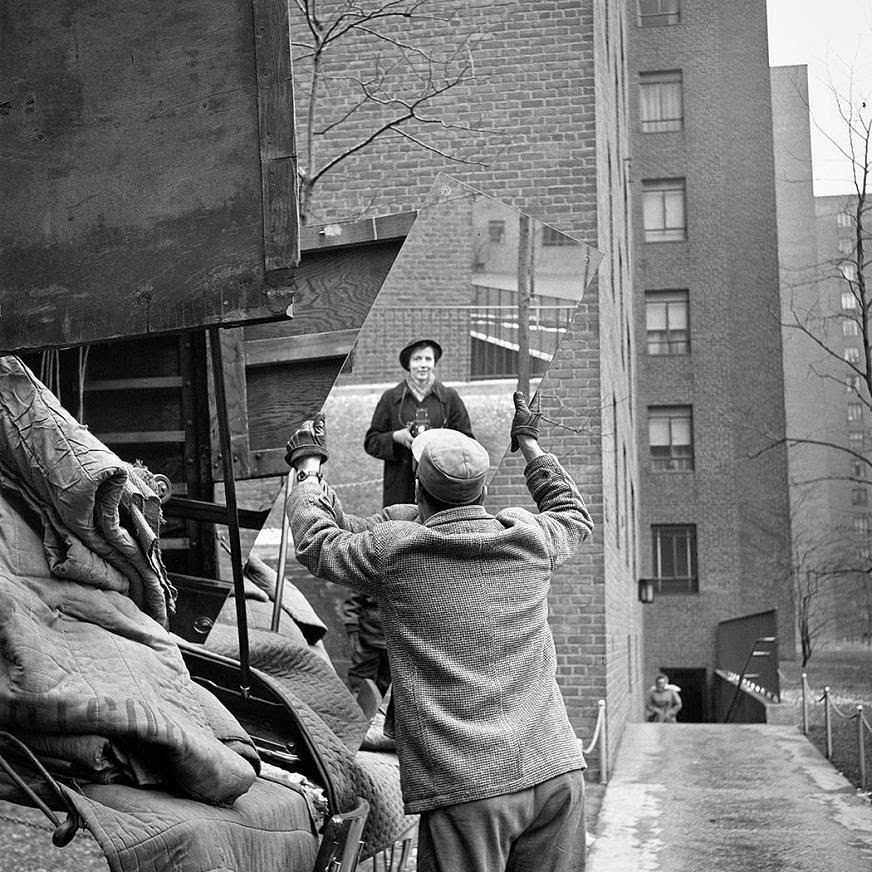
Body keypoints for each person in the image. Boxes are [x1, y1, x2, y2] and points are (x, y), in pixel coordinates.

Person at [284, 392, 593, 872]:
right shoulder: (528, 539)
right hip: (556, 773)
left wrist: (308, 468)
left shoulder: (398, 553)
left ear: (417, 489)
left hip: (469, 790)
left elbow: (318, 541)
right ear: (484, 493)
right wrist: (529, 442)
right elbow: (572, 512)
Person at [343, 338, 473, 696]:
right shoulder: (391, 399)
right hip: (400, 491)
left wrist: (438, 440)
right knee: (399, 546)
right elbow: (371, 441)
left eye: (428, 359)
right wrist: (398, 438)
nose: (423, 365)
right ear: (408, 365)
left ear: (435, 364)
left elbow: (468, 441)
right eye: (417, 359)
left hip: (439, 497)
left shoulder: (449, 400)